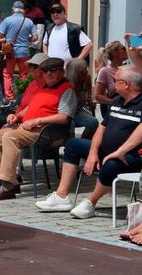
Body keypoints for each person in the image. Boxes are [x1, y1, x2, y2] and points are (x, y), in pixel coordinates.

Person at [35, 66, 142, 218]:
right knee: (73, 144)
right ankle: (61, 196)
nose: (112, 84)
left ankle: (90, 202)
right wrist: (92, 153)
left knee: (111, 164)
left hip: (130, 156)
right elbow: (101, 128)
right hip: (106, 151)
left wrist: (119, 152)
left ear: (126, 84)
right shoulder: (117, 101)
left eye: (115, 81)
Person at [0, 57, 77, 200]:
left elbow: (64, 117)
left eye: (53, 70)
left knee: (9, 137)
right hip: (27, 127)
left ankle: (7, 186)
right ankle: (13, 180)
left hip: (46, 131)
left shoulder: (67, 90)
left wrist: (38, 120)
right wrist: (16, 116)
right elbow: (31, 107)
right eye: (45, 71)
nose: (48, 74)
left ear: (62, 71)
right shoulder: (42, 87)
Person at [0, 0, 38, 101]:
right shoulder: (29, 21)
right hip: (24, 52)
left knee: (7, 74)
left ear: (13, 9)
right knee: (24, 75)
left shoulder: (7, 20)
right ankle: (23, 96)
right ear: (23, 10)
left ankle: (10, 98)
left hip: (10, 52)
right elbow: (35, 37)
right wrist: (27, 39)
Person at [64, 58, 99, 138]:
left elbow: (89, 95)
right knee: (70, 124)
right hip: (66, 112)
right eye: (82, 70)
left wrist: (90, 101)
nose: (86, 71)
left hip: (78, 110)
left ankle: (83, 141)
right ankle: (70, 145)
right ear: (75, 72)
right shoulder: (66, 83)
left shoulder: (87, 78)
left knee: (93, 122)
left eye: (86, 69)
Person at [95, 41, 127, 119]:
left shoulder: (128, 69)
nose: (126, 50)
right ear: (115, 53)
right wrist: (114, 102)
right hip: (115, 110)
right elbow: (98, 96)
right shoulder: (105, 71)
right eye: (123, 48)